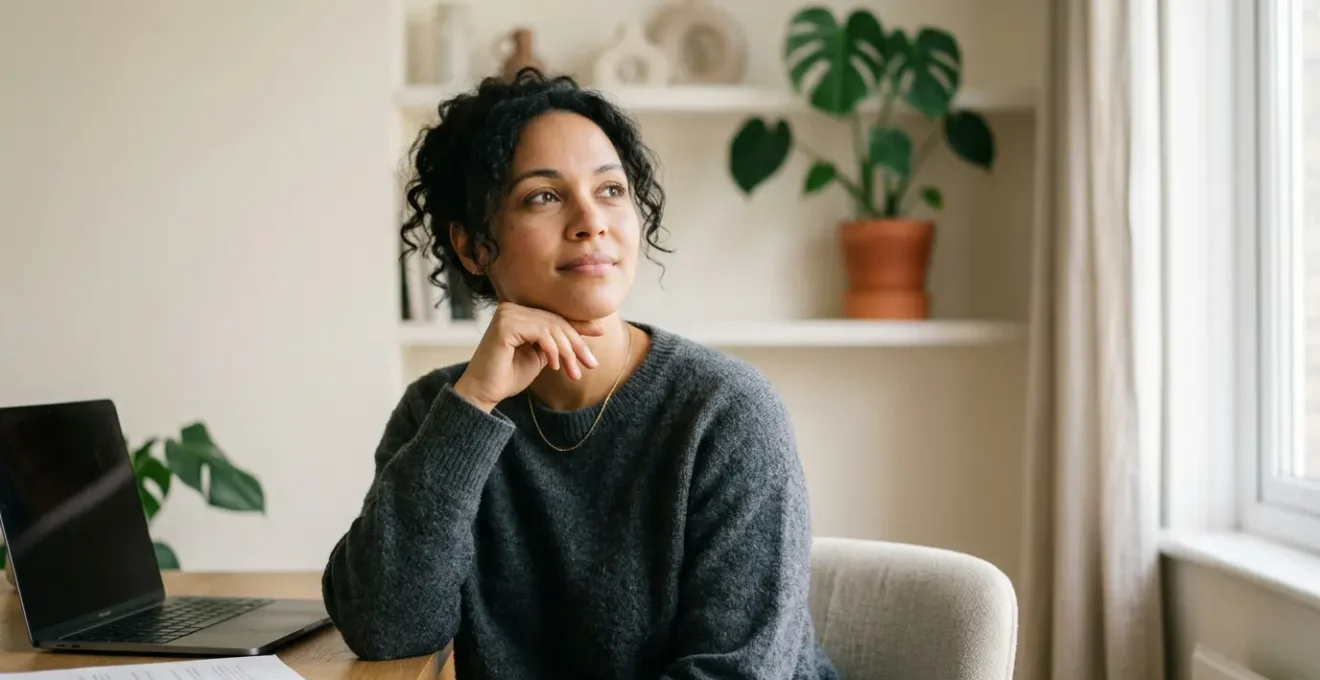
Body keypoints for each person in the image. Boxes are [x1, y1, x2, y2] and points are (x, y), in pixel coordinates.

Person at [321, 68, 840, 680]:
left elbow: (738, 673)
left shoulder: (725, 412)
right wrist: (474, 406)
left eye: (612, 190)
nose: (591, 221)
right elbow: (388, 628)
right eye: (543, 196)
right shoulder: (441, 409)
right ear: (471, 247)